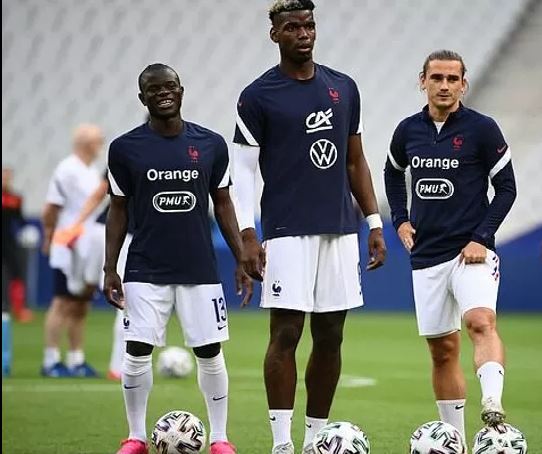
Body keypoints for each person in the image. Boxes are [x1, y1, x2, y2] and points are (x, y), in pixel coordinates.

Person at [232, 2, 386, 452]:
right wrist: (247, 233)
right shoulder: (257, 96)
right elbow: (242, 172)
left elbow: (356, 159)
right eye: (292, 27)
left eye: (309, 25)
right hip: (285, 232)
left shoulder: (344, 87)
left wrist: (373, 222)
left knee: (332, 336)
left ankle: (317, 441)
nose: (303, 33)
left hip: (340, 229)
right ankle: (282, 444)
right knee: (285, 334)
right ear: (275, 35)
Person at [104, 63, 252, 454]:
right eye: (155, 89)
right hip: (143, 268)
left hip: (198, 269)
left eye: (170, 86)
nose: (164, 93)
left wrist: (240, 259)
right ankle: (135, 437)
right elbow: (118, 210)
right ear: (143, 98)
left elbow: (223, 204)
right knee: (136, 350)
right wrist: (109, 268)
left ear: (182, 91)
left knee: (209, 352)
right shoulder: (124, 149)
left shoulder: (210, 144)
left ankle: (220, 438)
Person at [384, 50, 517, 441]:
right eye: (437, 78)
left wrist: (481, 237)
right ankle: (453, 441)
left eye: (452, 79)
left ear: (464, 84)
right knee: (442, 351)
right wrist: (400, 219)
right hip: (426, 256)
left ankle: (492, 401)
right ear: (422, 81)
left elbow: (507, 189)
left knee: (480, 322)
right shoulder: (407, 130)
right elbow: (392, 174)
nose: (444, 85)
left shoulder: (482, 129)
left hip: (470, 253)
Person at [41, 124, 105, 377]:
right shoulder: (67, 169)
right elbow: (51, 207)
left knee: (81, 303)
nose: (101, 144)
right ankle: (51, 360)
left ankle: (77, 359)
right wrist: (49, 236)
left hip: (88, 245)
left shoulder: (90, 172)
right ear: (86, 142)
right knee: (62, 301)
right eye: (99, 140)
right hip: (69, 244)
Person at [53, 171, 131, 380]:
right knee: (125, 303)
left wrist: (75, 225)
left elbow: (99, 193)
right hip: (122, 237)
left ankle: (63, 357)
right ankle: (118, 368)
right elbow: (100, 192)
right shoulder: (150, 156)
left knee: (78, 295)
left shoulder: (128, 149)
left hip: (99, 231)